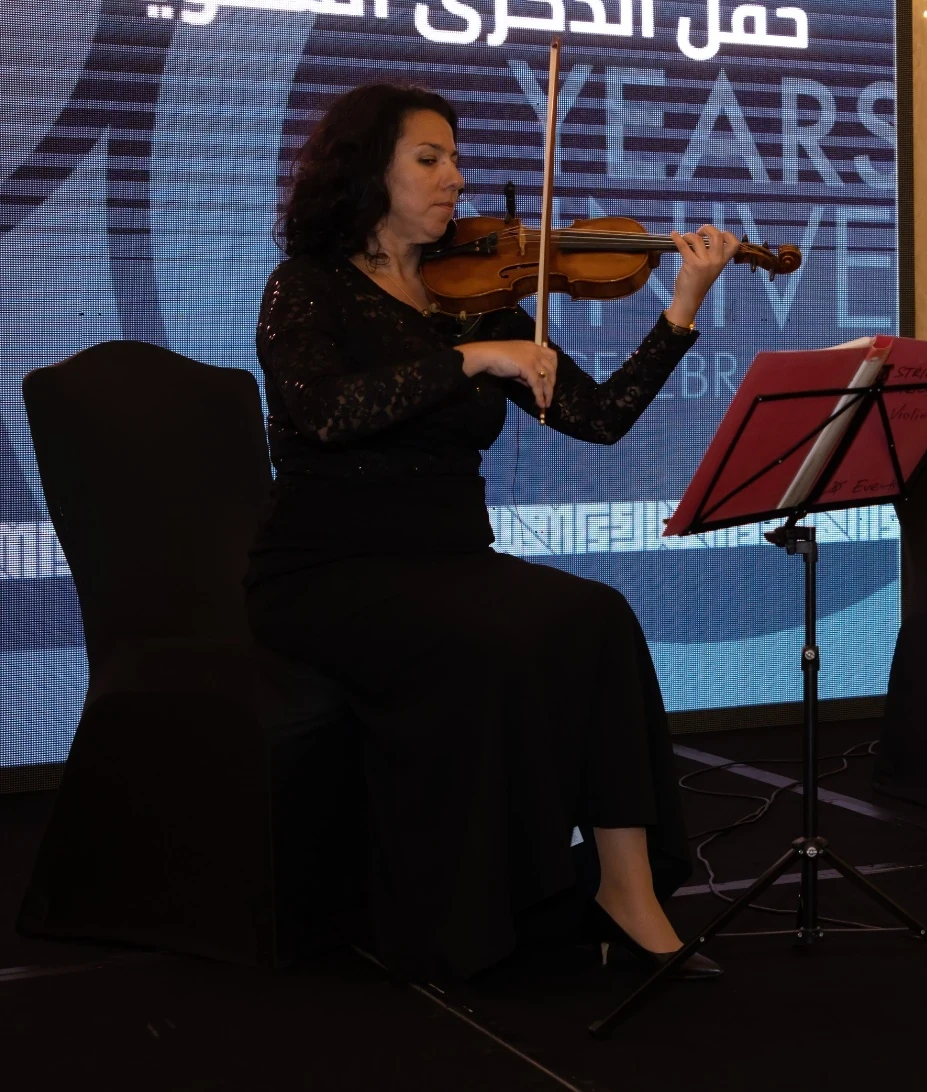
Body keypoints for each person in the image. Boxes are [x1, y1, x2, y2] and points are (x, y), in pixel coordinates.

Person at [245, 82, 736, 982]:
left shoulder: (478, 297)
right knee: (494, 645)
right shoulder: (309, 285)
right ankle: (477, 917)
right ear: (368, 170)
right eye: (429, 159)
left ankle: (627, 893)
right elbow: (325, 411)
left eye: (456, 160)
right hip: (325, 568)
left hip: (447, 559)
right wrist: (469, 358)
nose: (456, 180)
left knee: (597, 617)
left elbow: (599, 417)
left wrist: (682, 308)